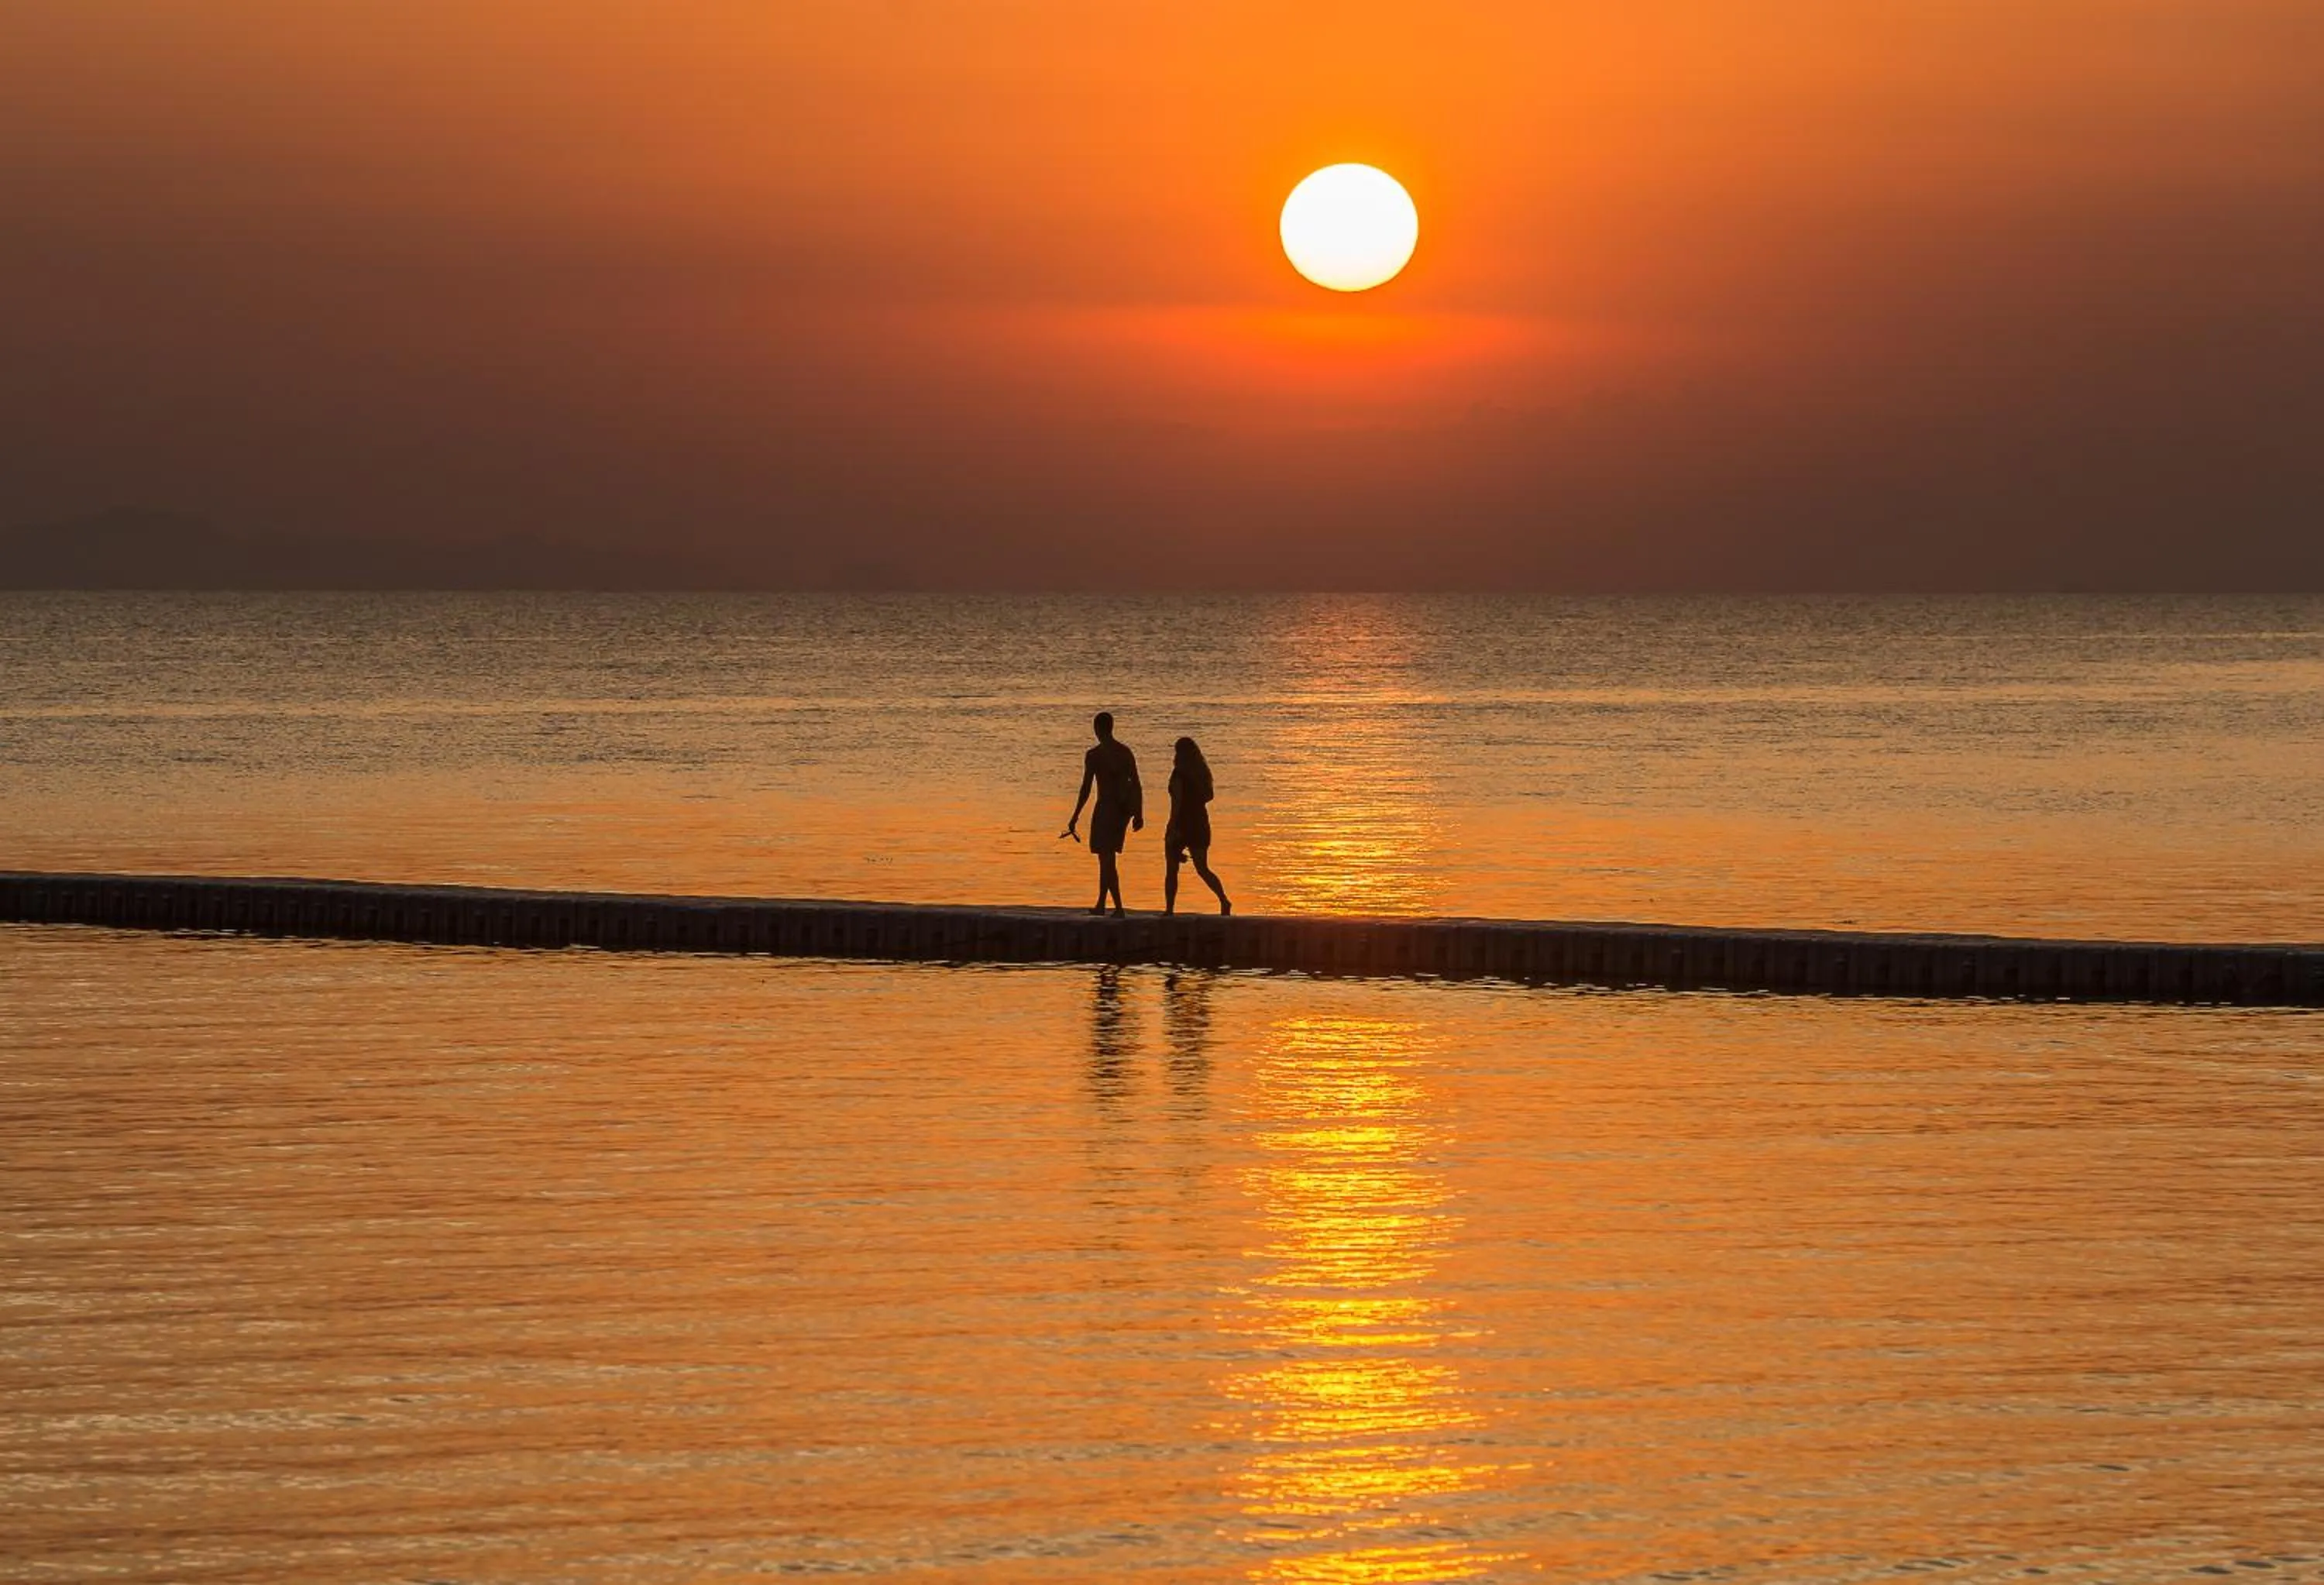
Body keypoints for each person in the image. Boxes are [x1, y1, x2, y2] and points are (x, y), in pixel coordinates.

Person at [1061, 712, 1143, 916]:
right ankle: (1102, 904)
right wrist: (1138, 813)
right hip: (1122, 811)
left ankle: (1118, 907)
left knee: (1106, 859)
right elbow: (1137, 785)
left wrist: (1075, 816)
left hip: (1106, 808)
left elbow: (1086, 788)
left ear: (1097, 729)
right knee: (1108, 859)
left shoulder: (1095, 755)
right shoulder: (1125, 752)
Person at [1163, 735, 1232, 916]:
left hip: (1182, 823)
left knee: (1172, 868)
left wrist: (1171, 827)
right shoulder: (1202, 773)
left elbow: (1177, 803)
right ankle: (1224, 900)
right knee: (1202, 868)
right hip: (1200, 822)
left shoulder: (1178, 774)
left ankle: (1169, 910)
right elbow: (1209, 796)